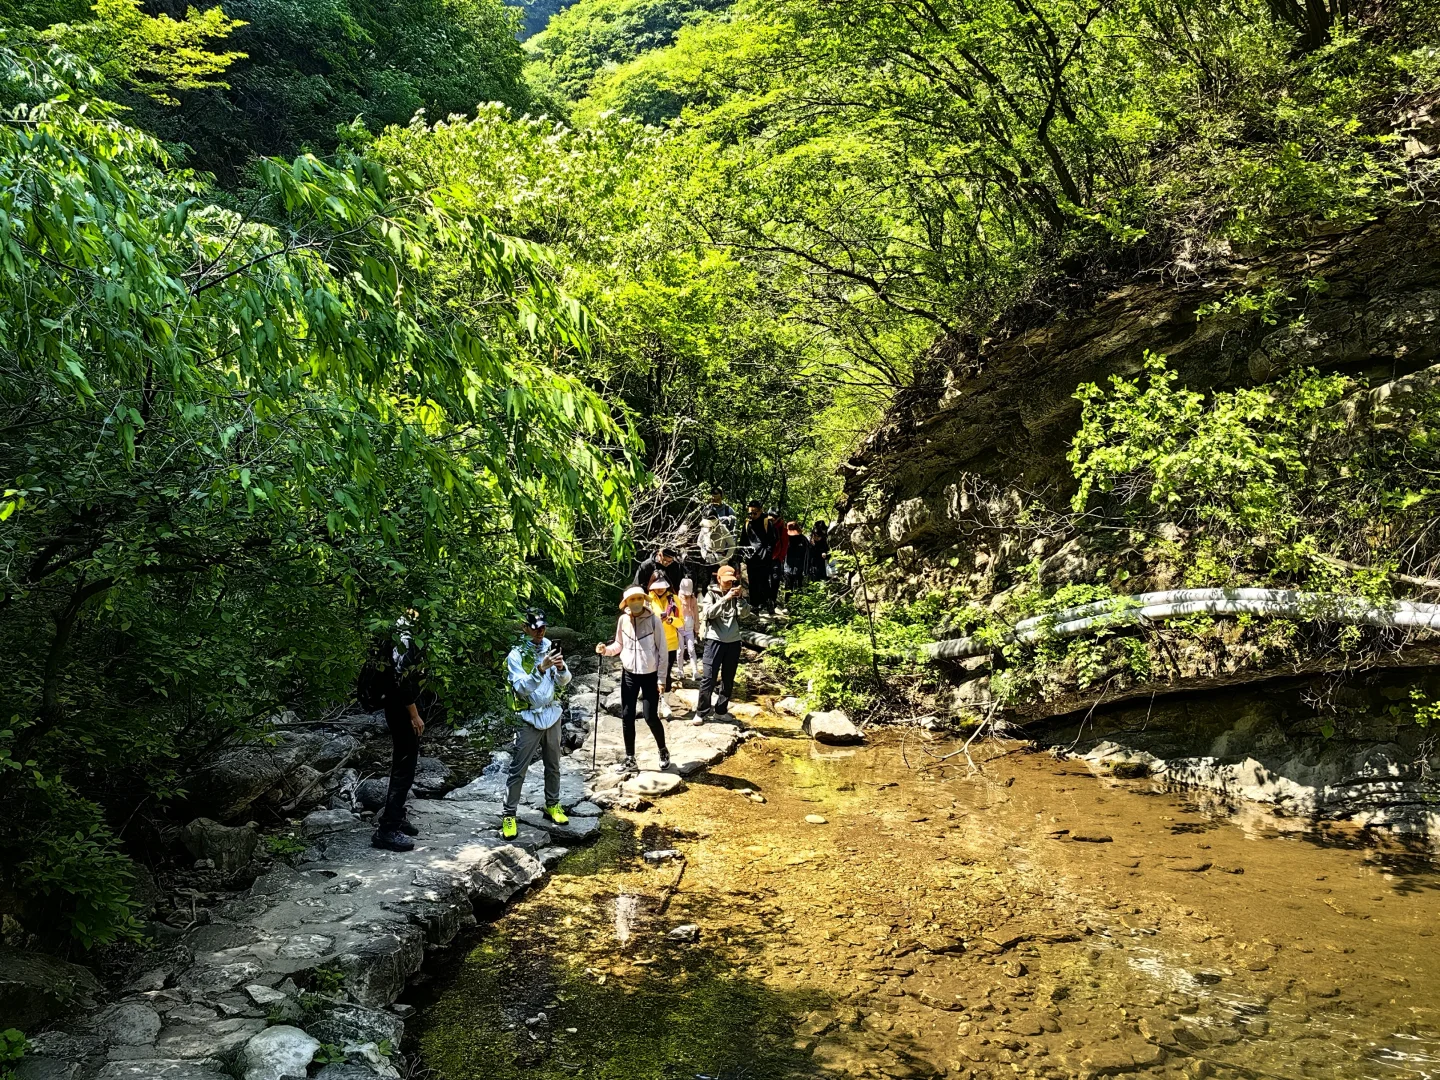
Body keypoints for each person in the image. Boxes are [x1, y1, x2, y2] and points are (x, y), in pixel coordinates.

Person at [500, 608, 572, 841]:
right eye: (535, 627)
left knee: (553, 764)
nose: (540, 631)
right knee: (518, 769)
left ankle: (553, 804)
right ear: (525, 627)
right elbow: (521, 689)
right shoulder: (516, 655)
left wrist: (561, 668)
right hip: (528, 717)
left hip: (552, 714)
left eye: (542, 627)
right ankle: (509, 815)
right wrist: (541, 667)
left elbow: (564, 681)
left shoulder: (550, 645)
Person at [596, 586, 670, 774]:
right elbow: (619, 644)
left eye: (639, 598)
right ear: (626, 603)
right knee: (627, 716)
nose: (636, 602)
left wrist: (661, 679)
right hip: (629, 674)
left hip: (650, 675)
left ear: (643, 600)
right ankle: (630, 759)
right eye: (632, 599)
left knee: (650, 716)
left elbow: (662, 651)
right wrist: (606, 651)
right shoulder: (623, 620)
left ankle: (663, 750)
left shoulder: (654, 620)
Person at [368, 615, 425, 852]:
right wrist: (413, 714)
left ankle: (397, 816)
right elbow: (402, 679)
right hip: (400, 707)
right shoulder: (404, 634)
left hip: (397, 705)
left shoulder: (394, 629)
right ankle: (388, 830)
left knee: (404, 762)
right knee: (405, 765)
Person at [696, 565, 744, 721]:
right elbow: (708, 613)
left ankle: (721, 711)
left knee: (728, 678)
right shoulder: (710, 594)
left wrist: (741, 599)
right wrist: (725, 599)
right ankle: (701, 712)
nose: (729, 584)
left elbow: (744, 614)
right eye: (726, 581)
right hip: (714, 640)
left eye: (731, 581)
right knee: (708, 678)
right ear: (718, 579)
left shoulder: (736, 594)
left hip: (734, 641)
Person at [648, 577, 684, 695]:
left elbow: (681, 622)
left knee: (666, 673)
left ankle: (665, 701)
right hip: (651, 643)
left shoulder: (674, 599)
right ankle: (652, 701)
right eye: (656, 586)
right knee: (651, 673)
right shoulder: (647, 599)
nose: (659, 589)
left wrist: (671, 620)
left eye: (662, 586)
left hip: (670, 643)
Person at [740, 501, 777, 614]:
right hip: (751, 559)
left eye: (754, 513)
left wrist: (767, 553)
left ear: (760, 511)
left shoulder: (767, 522)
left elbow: (773, 540)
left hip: (764, 558)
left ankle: (769, 604)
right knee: (753, 583)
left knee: (765, 582)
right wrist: (743, 553)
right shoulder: (747, 524)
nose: (752, 515)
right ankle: (754, 606)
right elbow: (743, 541)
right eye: (750, 513)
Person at [697, 512, 735, 592]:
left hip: (720, 560)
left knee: (718, 582)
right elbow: (699, 542)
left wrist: (725, 558)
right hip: (707, 558)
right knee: (705, 582)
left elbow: (732, 545)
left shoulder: (723, 529)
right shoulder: (704, 528)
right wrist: (704, 553)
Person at [677, 576, 700, 680]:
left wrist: (697, 628)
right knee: (680, 650)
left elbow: (696, 614)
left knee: (691, 649)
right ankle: (680, 670)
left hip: (690, 628)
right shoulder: (676, 598)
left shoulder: (693, 599)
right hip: (679, 628)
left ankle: (695, 671)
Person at [782, 521, 812, 597]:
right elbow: (781, 554)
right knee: (788, 590)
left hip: (800, 570)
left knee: (799, 590)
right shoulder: (785, 539)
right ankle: (787, 606)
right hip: (787, 569)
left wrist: (805, 570)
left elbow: (808, 555)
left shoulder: (803, 540)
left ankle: (798, 606)